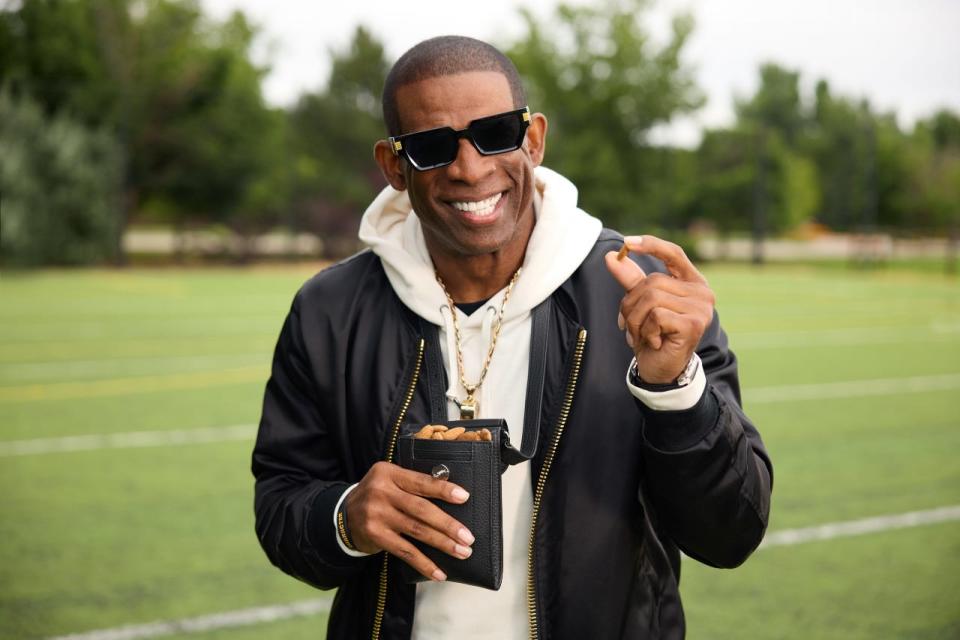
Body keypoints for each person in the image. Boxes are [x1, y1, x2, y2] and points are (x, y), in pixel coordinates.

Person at [252, 35, 772, 640]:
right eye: (431, 147)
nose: (469, 168)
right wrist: (345, 519)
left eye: (495, 132)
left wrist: (677, 390)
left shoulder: (641, 296)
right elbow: (281, 504)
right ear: (394, 165)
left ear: (534, 139)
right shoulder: (329, 311)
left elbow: (731, 533)